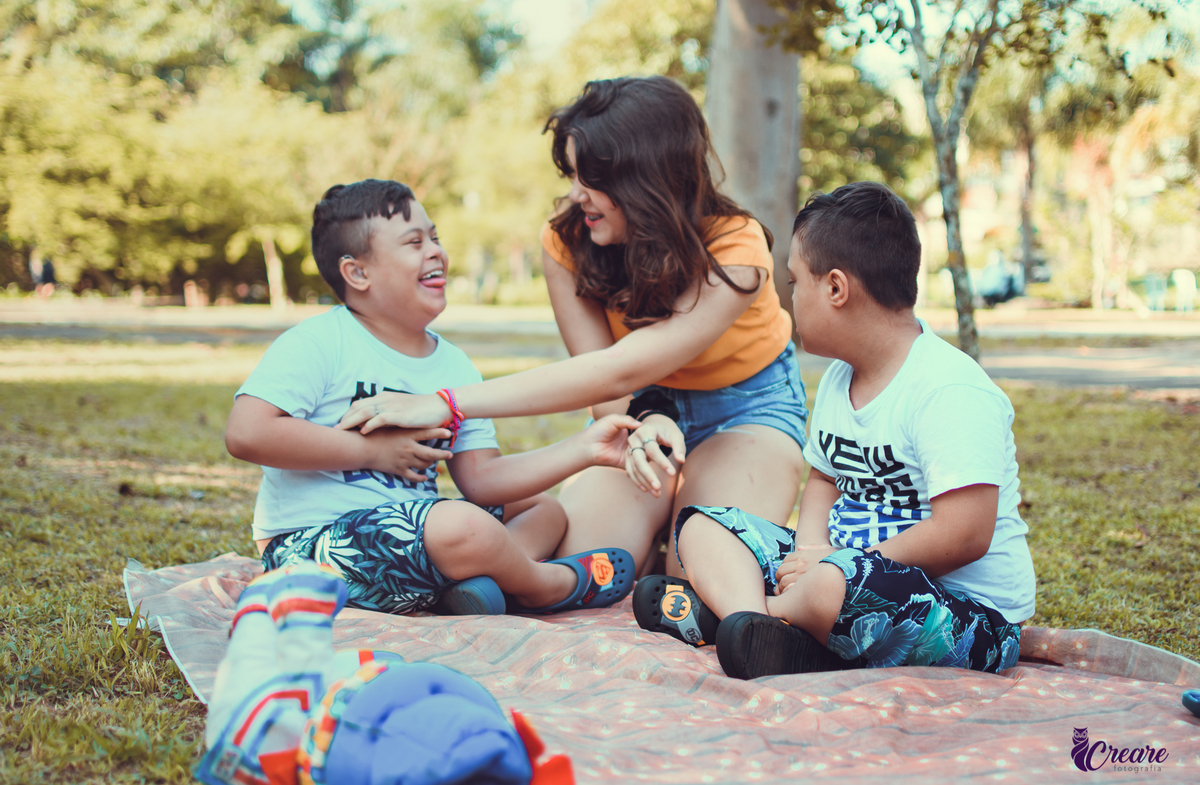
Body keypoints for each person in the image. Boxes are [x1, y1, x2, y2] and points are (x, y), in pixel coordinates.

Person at [337, 77, 809, 580]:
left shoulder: (737, 249)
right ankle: (652, 541)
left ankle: (674, 543)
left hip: (745, 410)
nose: (576, 194)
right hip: (634, 411)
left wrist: (447, 403)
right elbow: (607, 389)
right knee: (590, 565)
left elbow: (619, 368)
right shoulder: (567, 240)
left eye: (591, 180)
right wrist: (646, 420)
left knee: (698, 574)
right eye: (572, 174)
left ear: (647, 179)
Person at [633, 182, 1036, 679]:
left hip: (964, 613)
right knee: (701, 526)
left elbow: (964, 533)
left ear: (836, 289)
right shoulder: (838, 380)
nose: (789, 297)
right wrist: (808, 552)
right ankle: (759, 627)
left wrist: (836, 565)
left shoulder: (947, 388)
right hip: (840, 567)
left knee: (832, 587)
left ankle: (753, 615)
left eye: (794, 282)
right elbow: (824, 479)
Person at [225, 179, 637, 617]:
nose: (435, 251)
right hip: (311, 551)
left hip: (421, 539)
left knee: (543, 508)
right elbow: (247, 433)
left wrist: (584, 448)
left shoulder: (453, 366)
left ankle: (480, 585)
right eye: (414, 242)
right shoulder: (321, 341)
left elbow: (482, 480)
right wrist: (371, 452)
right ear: (358, 273)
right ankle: (541, 586)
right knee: (460, 525)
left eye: (435, 238)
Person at [196, 561, 575, 785]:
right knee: (267, 668)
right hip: (344, 718)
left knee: (262, 664)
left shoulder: (253, 731)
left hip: (360, 700)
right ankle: (278, 614)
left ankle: (270, 607)